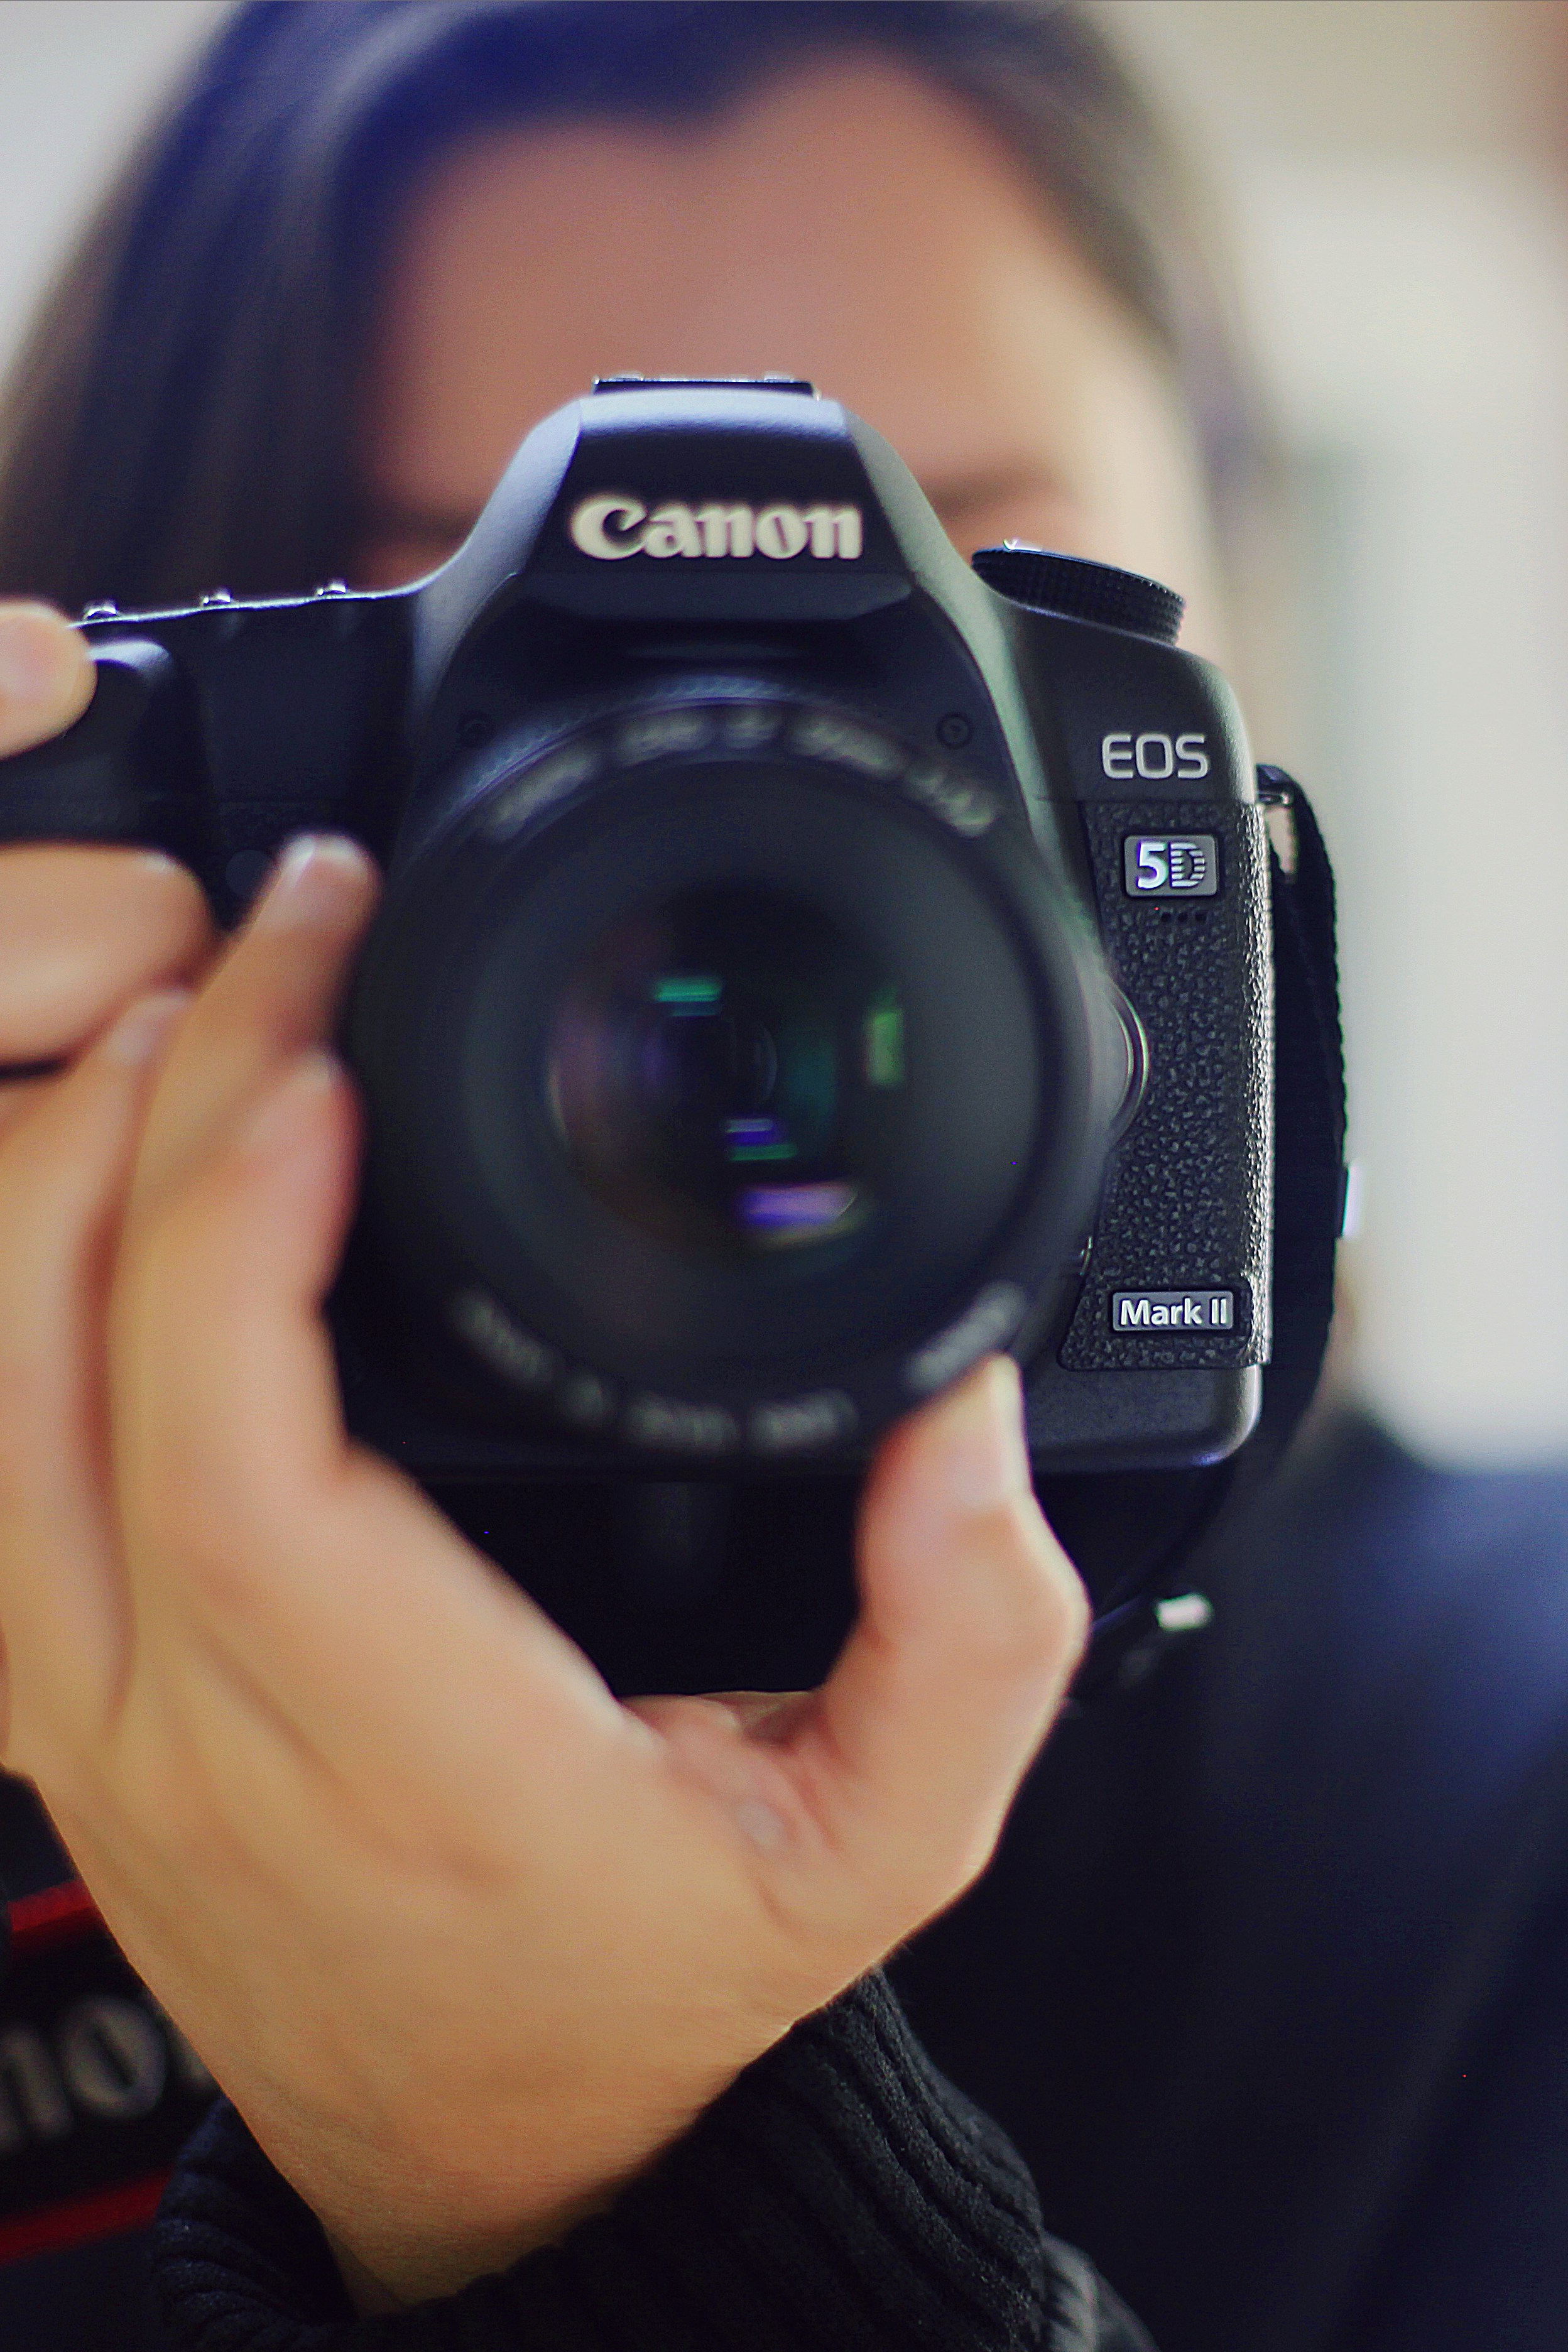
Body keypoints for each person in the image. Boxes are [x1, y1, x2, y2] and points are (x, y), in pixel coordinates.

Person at [1, 6, 1564, 2351]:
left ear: (1230, 729)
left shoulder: (1513, 1784)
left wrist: (569, 2164)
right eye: (500, 661)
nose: (760, 839)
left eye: (994, 574)